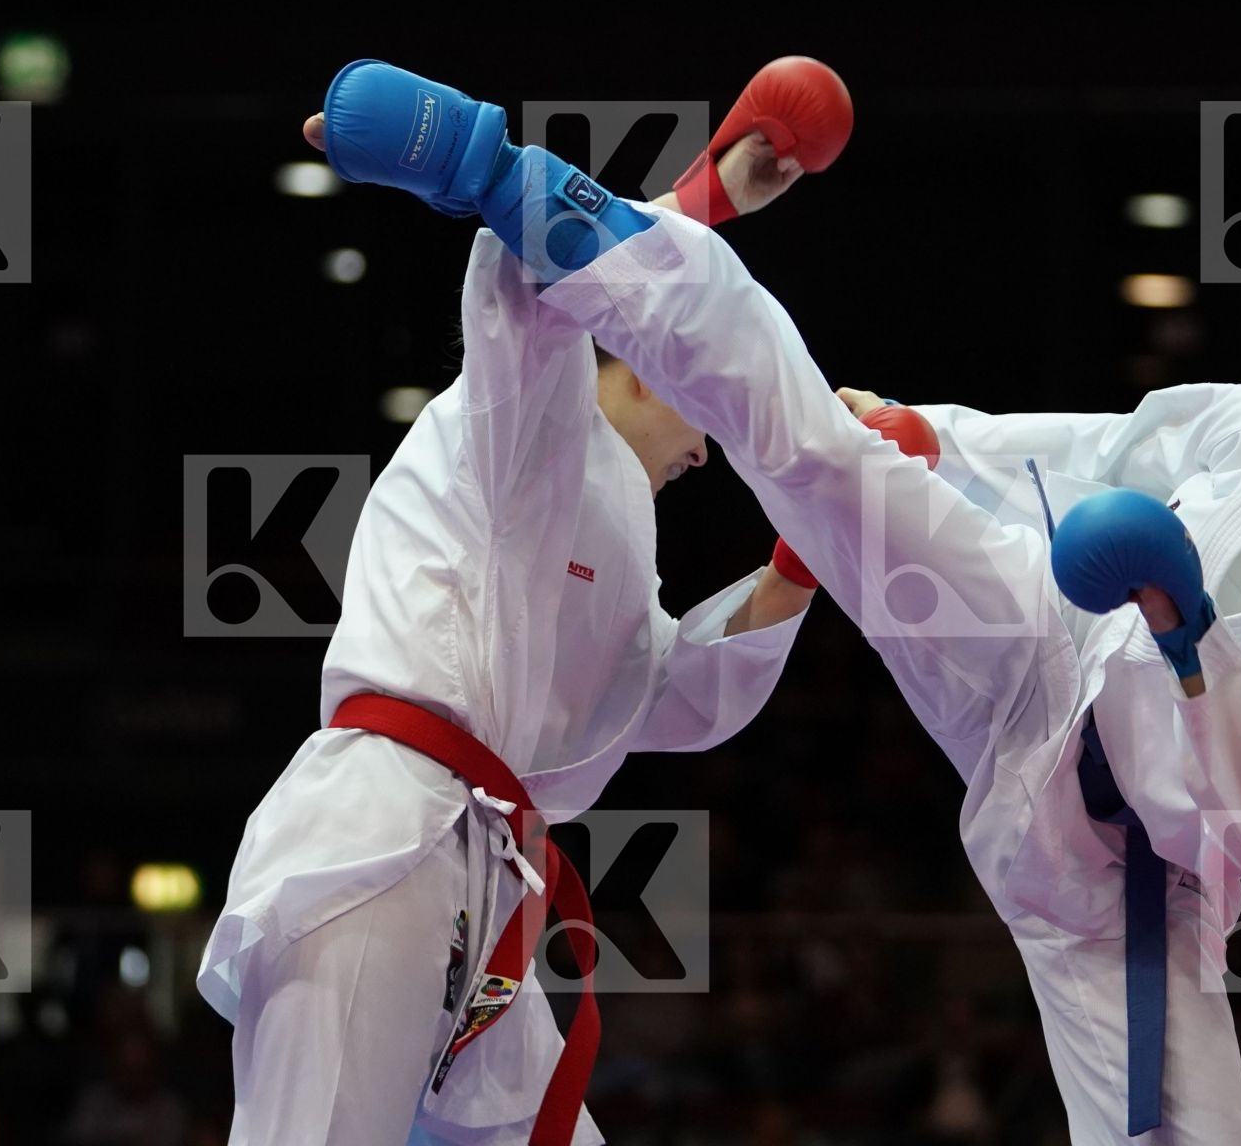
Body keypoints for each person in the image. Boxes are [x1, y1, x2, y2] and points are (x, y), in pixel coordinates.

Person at [317, 60, 1241, 1142]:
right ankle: (496, 167)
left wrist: (1190, 634)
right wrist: (935, 438)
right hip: (1032, 644)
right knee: (822, 454)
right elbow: (1105, 448)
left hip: (1123, 874)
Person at [198, 61, 908, 1145]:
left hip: (482, 881)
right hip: (381, 841)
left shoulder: (618, 525)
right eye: (708, 396)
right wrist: (696, 195)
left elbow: (670, 695)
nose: (713, 446)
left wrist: (804, 552)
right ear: (648, 361)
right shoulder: (531, 417)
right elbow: (551, 273)